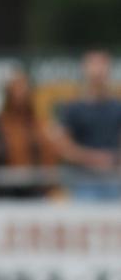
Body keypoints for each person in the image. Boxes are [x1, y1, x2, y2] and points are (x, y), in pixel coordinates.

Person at [52, 50, 121, 200]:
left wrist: (113, 159)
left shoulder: (117, 107)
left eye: (101, 67)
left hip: (114, 181)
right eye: (94, 66)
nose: (97, 72)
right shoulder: (72, 108)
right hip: (82, 183)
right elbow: (63, 147)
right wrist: (93, 158)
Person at [0, 70, 58, 197]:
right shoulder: (1, 124)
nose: (21, 93)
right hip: (12, 190)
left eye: (24, 88)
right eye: (16, 89)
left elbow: (51, 154)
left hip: (41, 188)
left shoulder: (41, 123)